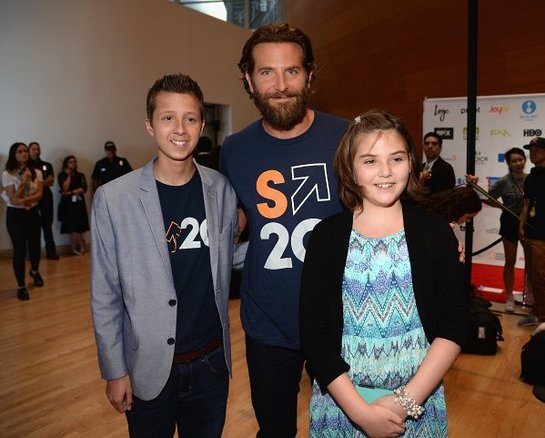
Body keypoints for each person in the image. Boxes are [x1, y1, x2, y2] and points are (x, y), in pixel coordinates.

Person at [300, 110, 468, 437]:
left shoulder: (435, 233)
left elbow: (454, 324)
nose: (386, 172)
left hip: (418, 404)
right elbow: (315, 332)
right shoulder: (327, 237)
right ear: (349, 168)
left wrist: (404, 402)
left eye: (396, 158)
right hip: (342, 405)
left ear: (411, 162)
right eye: (370, 161)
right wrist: (361, 413)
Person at [91, 73, 238, 437]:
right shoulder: (114, 199)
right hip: (147, 368)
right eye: (167, 117)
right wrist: (114, 370)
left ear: (202, 125)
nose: (180, 128)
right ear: (149, 125)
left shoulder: (221, 189)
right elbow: (105, 294)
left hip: (210, 364)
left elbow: (230, 258)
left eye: (190, 118)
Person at [220, 23, 349, 437]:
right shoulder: (235, 150)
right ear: (248, 79)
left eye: (291, 72)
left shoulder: (347, 137)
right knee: (275, 431)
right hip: (268, 321)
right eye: (266, 73)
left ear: (310, 75)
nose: (280, 86)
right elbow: (234, 220)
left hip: (342, 318)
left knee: (347, 428)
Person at [485, 147, 531, 312]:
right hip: (510, 222)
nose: (518, 163)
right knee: (510, 261)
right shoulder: (504, 181)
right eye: (514, 161)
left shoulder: (532, 178)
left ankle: (530, 294)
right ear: (509, 164)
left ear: (525, 160)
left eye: (520, 159)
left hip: (528, 223)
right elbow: (487, 197)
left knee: (531, 262)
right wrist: (501, 206)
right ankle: (510, 295)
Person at [1, 142, 45, 300]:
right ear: (14, 154)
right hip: (15, 216)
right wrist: (25, 182)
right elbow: (13, 198)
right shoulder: (7, 174)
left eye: (26, 151)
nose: (24, 153)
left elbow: (39, 194)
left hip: (33, 213)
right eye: (20, 151)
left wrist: (24, 200)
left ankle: (34, 271)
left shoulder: (37, 172)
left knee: (35, 247)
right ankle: (21, 286)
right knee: (19, 251)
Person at [518, 137, 545, 327]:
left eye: (537, 149)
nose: (532, 152)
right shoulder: (532, 176)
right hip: (531, 233)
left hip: (543, 235)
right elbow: (526, 204)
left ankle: (542, 315)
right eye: (531, 149)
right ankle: (539, 312)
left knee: (541, 276)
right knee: (535, 276)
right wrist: (521, 224)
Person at [28, 141, 59, 260]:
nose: (36, 151)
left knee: (47, 225)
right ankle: (32, 254)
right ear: (29, 151)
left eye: (38, 149)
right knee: (32, 227)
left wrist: (36, 183)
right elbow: (27, 184)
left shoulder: (47, 165)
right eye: (33, 149)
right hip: (32, 198)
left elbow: (51, 181)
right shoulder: (26, 167)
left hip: (46, 198)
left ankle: (51, 252)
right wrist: (42, 183)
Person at [58, 156, 89, 255]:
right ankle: (77, 245)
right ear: (66, 163)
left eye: (74, 161)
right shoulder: (62, 175)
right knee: (73, 226)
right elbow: (64, 188)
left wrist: (71, 192)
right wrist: (69, 176)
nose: (73, 163)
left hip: (79, 203)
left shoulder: (80, 175)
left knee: (79, 225)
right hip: (68, 204)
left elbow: (83, 188)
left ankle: (79, 245)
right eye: (71, 162)